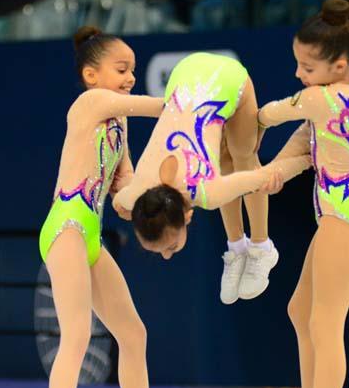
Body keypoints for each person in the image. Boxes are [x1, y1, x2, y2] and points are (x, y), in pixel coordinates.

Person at [38, 27, 168, 388]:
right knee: (77, 334)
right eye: (122, 69)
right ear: (91, 75)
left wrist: (161, 204)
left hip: (90, 233)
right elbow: (155, 106)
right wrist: (187, 106)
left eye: (133, 70)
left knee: (133, 334)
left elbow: (124, 189)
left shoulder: (120, 122)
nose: (130, 76)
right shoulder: (90, 103)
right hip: (66, 226)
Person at [256, 0, 349, 388]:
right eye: (297, 64)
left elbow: (265, 116)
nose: (298, 73)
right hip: (343, 210)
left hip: (344, 214)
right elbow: (308, 140)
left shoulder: (320, 98)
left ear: (337, 65)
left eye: (306, 67)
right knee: (300, 311)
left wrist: (239, 124)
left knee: (326, 326)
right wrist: (275, 172)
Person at [113, 52, 281, 302]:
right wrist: (123, 206)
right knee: (221, 164)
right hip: (185, 71)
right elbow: (119, 202)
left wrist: (274, 177)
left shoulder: (204, 190)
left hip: (225, 78)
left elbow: (254, 178)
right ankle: (237, 249)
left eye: (170, 247)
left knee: (243, 157)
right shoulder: (136, 194)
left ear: (186, 217)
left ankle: (261, 247)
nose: (167, 256)